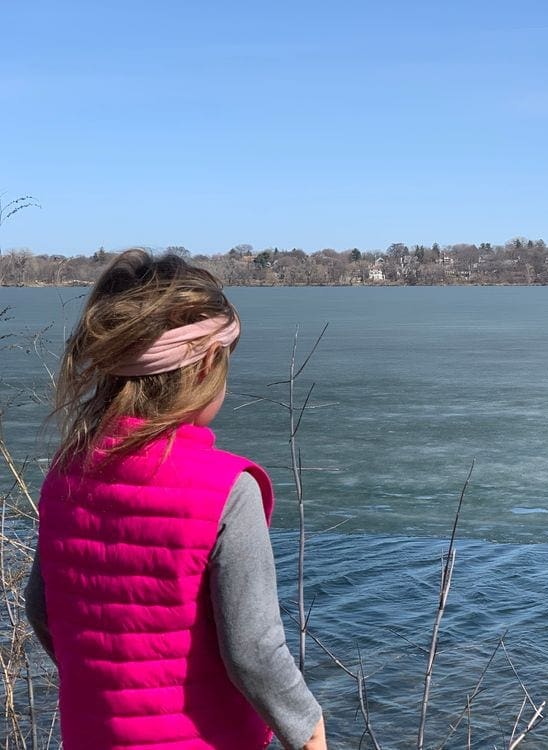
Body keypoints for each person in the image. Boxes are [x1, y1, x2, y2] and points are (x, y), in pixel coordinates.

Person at [24, 249, 327, 750]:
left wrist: (107, 689)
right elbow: (253, 651)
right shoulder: (228, 489)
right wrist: (309, 729)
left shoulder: (68, 470)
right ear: (207, 362)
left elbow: (42, 607)